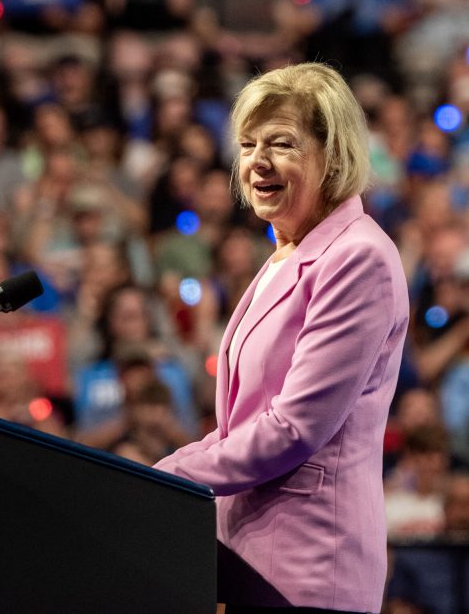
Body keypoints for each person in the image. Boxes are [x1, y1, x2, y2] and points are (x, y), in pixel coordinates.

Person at [153, 63, 409, 613]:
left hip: (314, 561)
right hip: (251, 555)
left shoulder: (358, 258)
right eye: (247, 145)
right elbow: (237, 428)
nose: (257, 162)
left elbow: (293, 428)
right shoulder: (285, 254)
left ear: (333, 154)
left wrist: (165, 479)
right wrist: (151, 476)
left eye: (281, 144)